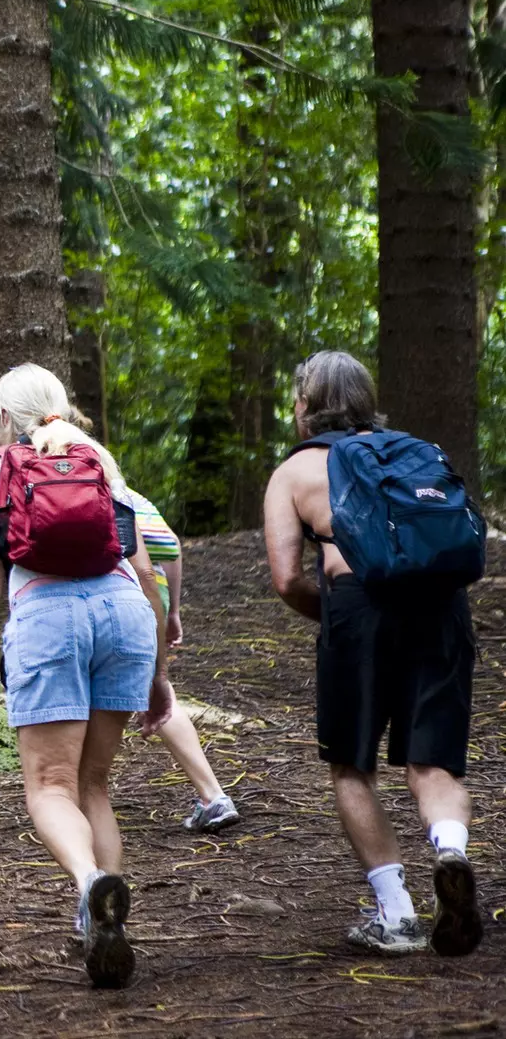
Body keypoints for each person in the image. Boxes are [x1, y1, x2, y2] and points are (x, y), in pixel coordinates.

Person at [0, 365, 172, 989]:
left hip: (49, 619)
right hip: (125, 614)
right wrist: (159, 664)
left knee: (51, 787)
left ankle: (90, 886)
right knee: (93, 786)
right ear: (61, 407)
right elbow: (140, 560)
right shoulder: (97, 458)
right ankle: (107, 926)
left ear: (4, 418)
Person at [262, 350, 484, 957]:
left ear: (305, 406)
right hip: (440, 608)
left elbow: (286, 579)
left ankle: (397, 914)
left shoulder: (297, 471)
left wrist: (338, 621)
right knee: (433, 763)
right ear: (366, 399)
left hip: (359, 609)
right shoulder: (413, 452)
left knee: (351, 765)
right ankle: (450, 851)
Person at [119, 482, 241, 832]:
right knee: (158, 690)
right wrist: (171, 610)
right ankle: (213, 795)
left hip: (92, 598)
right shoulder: (118, 486)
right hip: (144, 598)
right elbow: (169, 546)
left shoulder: (30, 476)